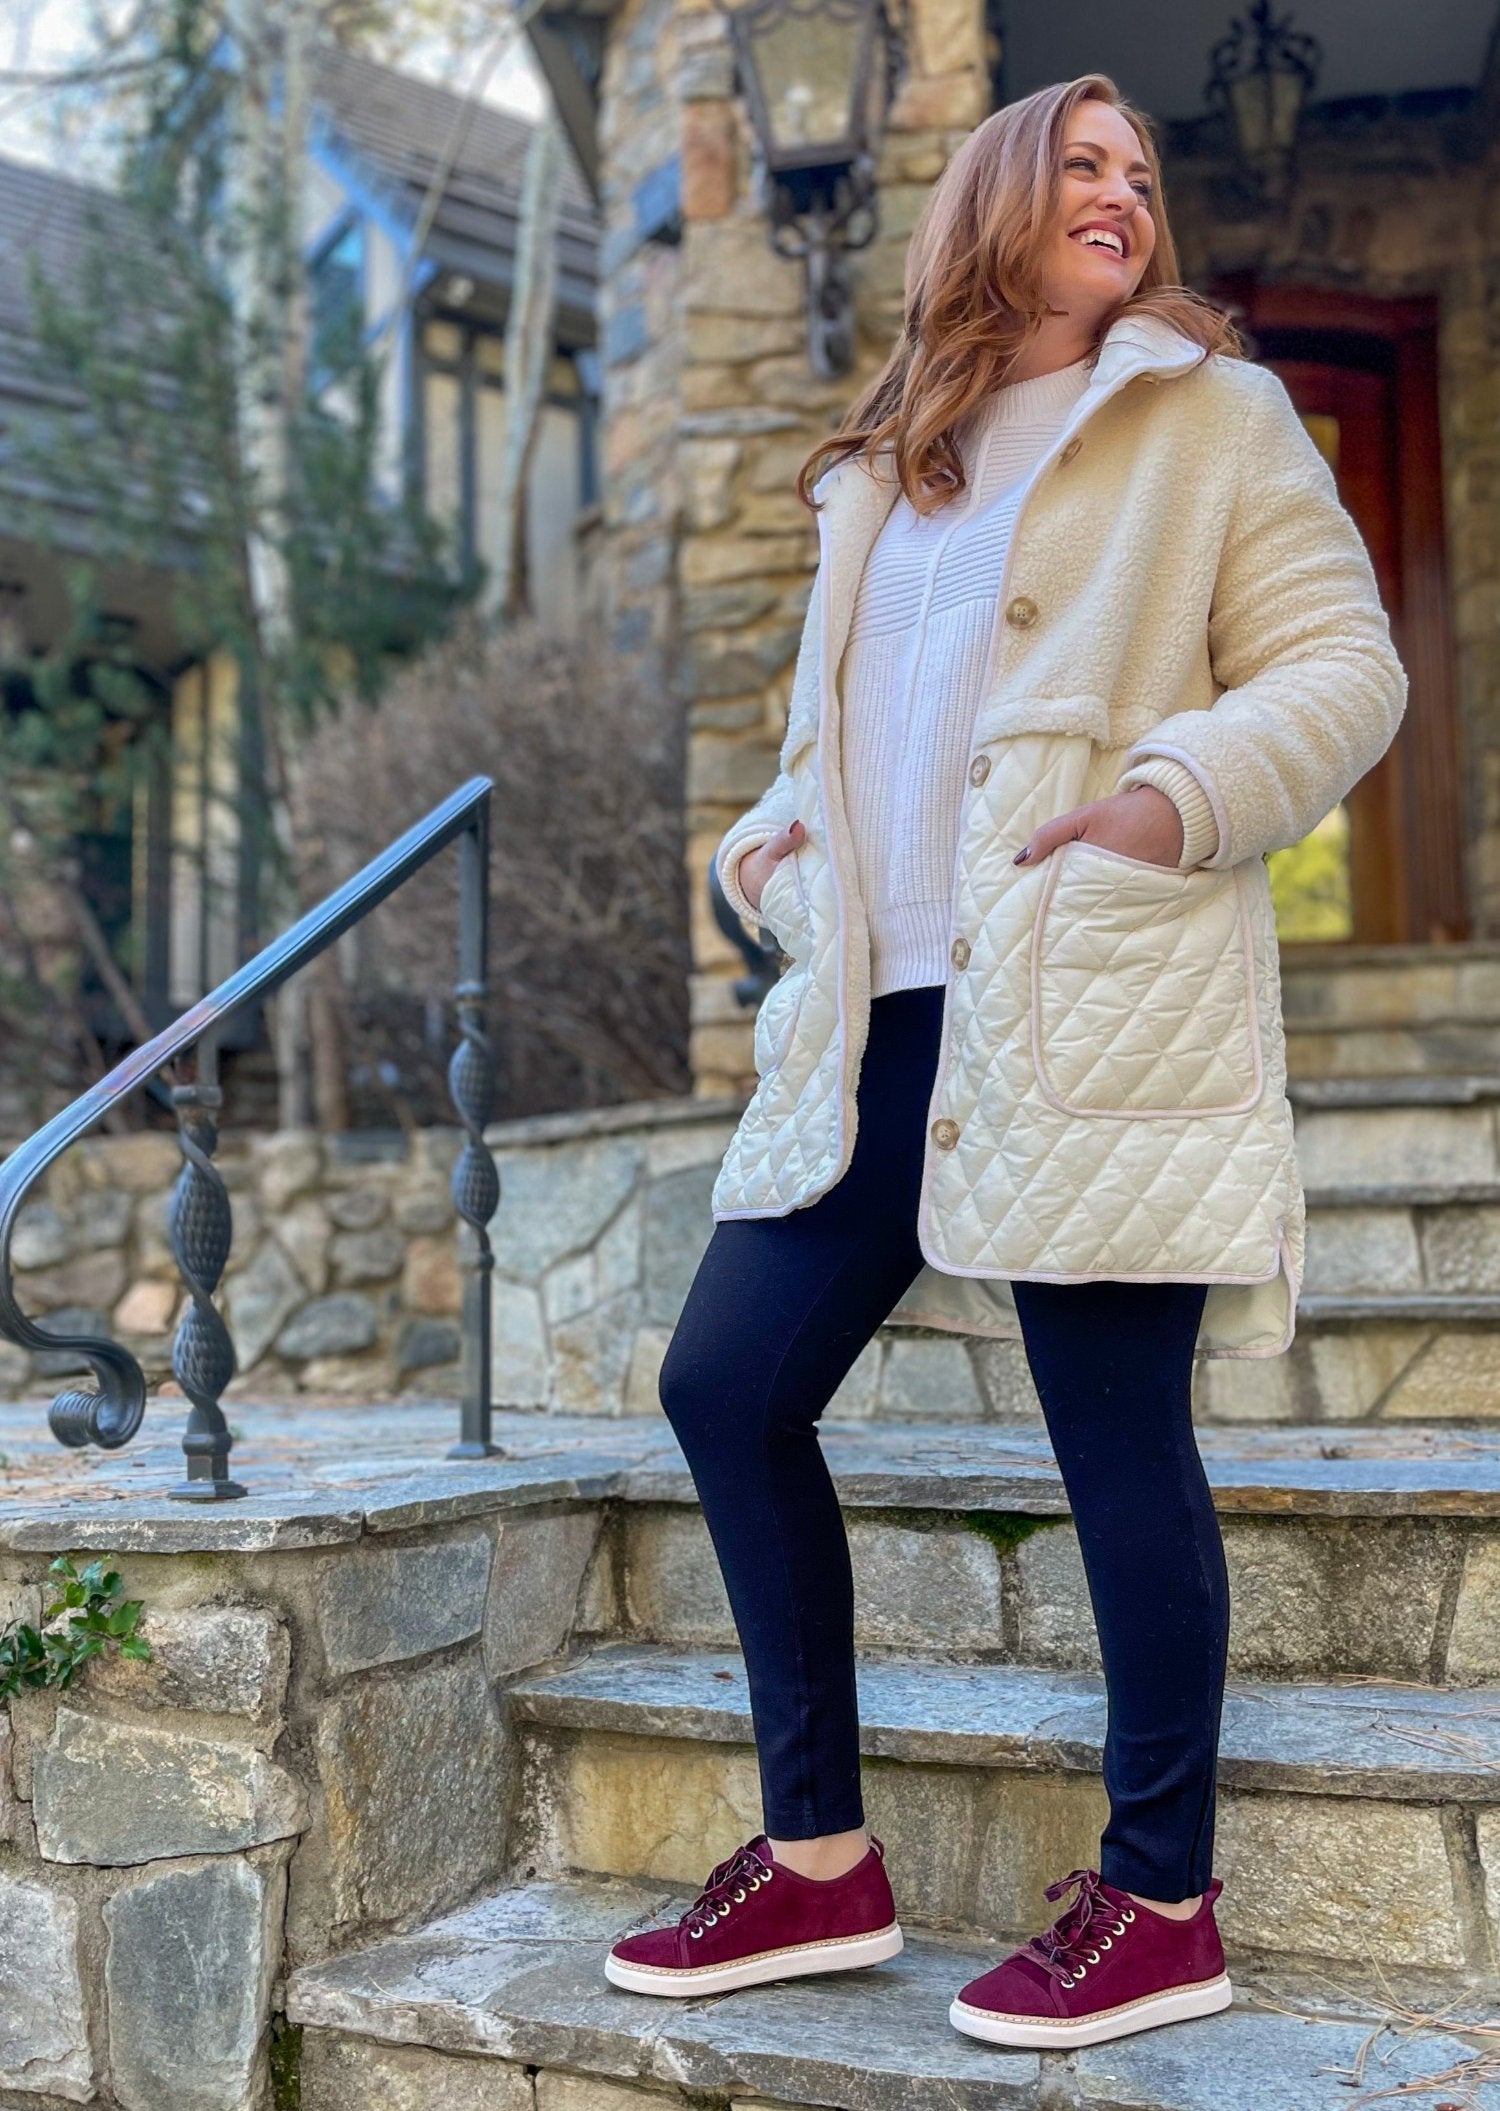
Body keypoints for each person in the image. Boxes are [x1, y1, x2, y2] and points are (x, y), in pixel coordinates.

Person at [604, 72, 1407, 2050]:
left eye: (1144, 175)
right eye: (1086, 163)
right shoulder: (892, 463)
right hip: (874, 1009)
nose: (1125, 193)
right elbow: (845, 732)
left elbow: (1344, 667)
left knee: (1114, 1436)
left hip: (1082, 983)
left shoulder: (1209, 419)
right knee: (724, 1383)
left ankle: (1162, 1901)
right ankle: (817, 1868)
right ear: (992, 195)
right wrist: (774, 843)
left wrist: (1169, 796)